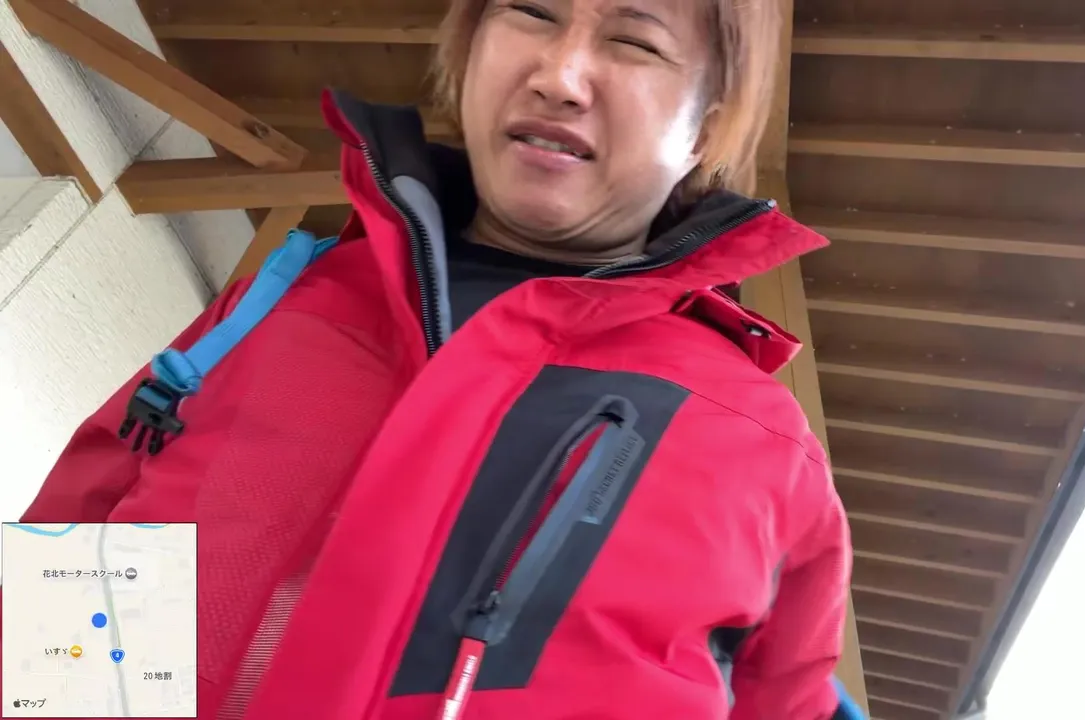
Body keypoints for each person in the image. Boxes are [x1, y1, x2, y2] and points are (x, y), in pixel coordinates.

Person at [16, 0, 852, 718]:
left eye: (635, 43)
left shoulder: (764, 449)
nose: (560, 76)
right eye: (531, 12)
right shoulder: (287, 297)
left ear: (704, 126)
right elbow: (77, 551)